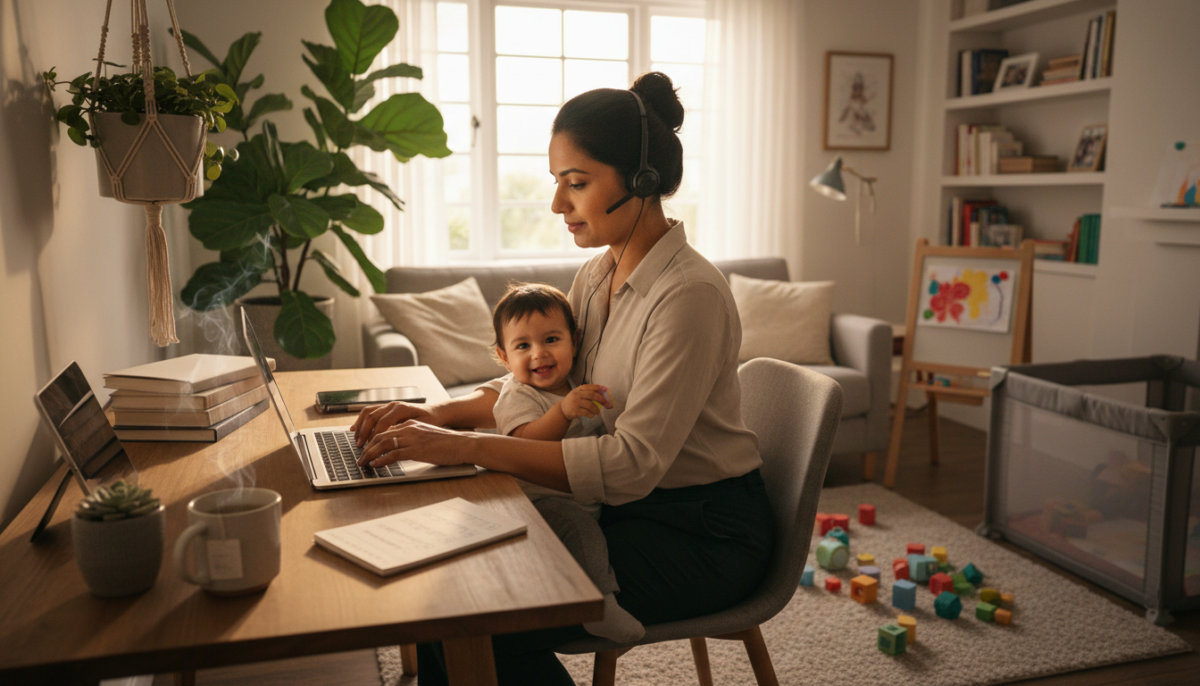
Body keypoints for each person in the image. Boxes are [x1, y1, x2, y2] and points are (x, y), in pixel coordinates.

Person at [352, 71, 774, 685]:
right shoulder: (598, 277)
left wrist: (468, 447)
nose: (557, 204)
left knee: (479, 606)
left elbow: (631, 465)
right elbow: (541, 385)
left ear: (642, 182)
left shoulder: (689, 297)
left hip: (702, 533)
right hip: (627, 512)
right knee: (445, 587)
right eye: (557, 183)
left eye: (575, 184)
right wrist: (437, 416)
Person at [489, 281, 643, 643]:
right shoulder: (516, 395)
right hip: (538, 504)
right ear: (503, 356)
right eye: (522, 346)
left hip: (584, 494)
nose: (538, 354)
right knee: (581, 530)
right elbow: (523, 445)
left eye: (551, 340)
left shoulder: (577, 380)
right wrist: (562, 412)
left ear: (575, 340)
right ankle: (599, 607)